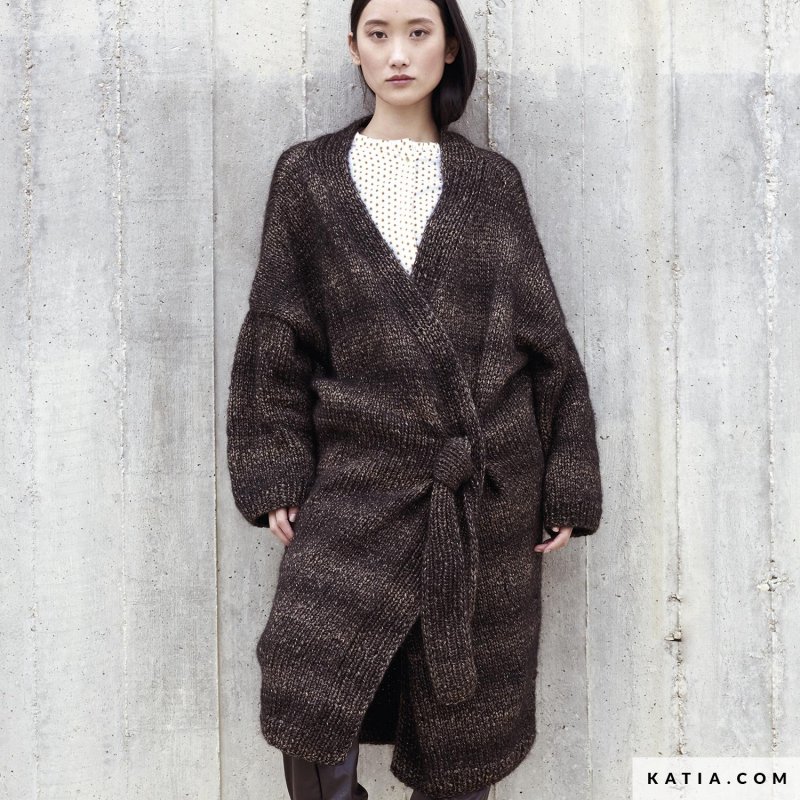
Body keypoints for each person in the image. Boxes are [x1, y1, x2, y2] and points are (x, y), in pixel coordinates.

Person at [225, 0, 604, 798]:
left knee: (465, 731)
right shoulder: (308, 178)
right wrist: (275, 472)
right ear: (355, 49)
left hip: (480, 496)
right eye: (379, 34)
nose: (398, 53)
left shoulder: (491, 185)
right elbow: (275, 336)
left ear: (449, 47)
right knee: (305, 684)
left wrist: (567, 480)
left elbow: (547, 345)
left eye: (418, 32)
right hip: (358, 479)